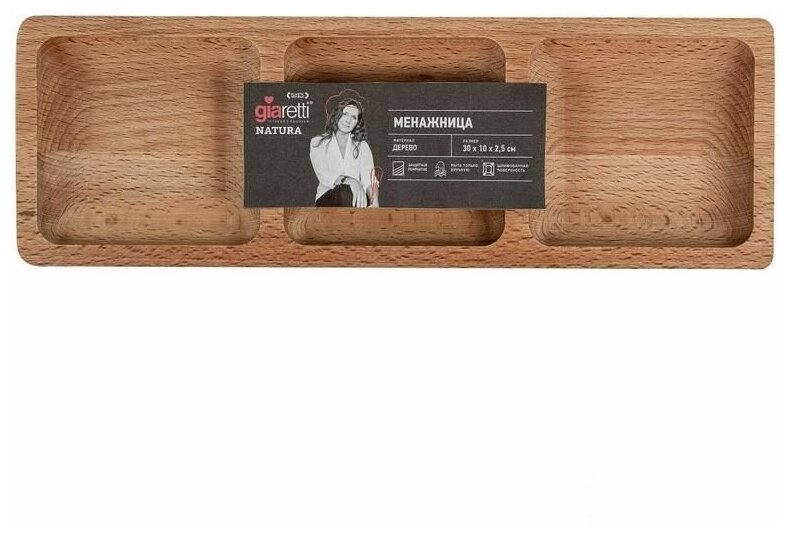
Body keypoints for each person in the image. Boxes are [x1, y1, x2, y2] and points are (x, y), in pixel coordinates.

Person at [309, 93, 379, 208]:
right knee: (345, 192)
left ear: (357, 123)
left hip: (357, 200)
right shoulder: (318, 142)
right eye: (345, 114)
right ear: (337, 115)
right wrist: (352, 182)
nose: (348, 120)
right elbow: (325, 175)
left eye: (354, 117)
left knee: (359, 199)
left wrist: (374, 203)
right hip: (327, 199)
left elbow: (369, 179)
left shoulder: (362, 146)